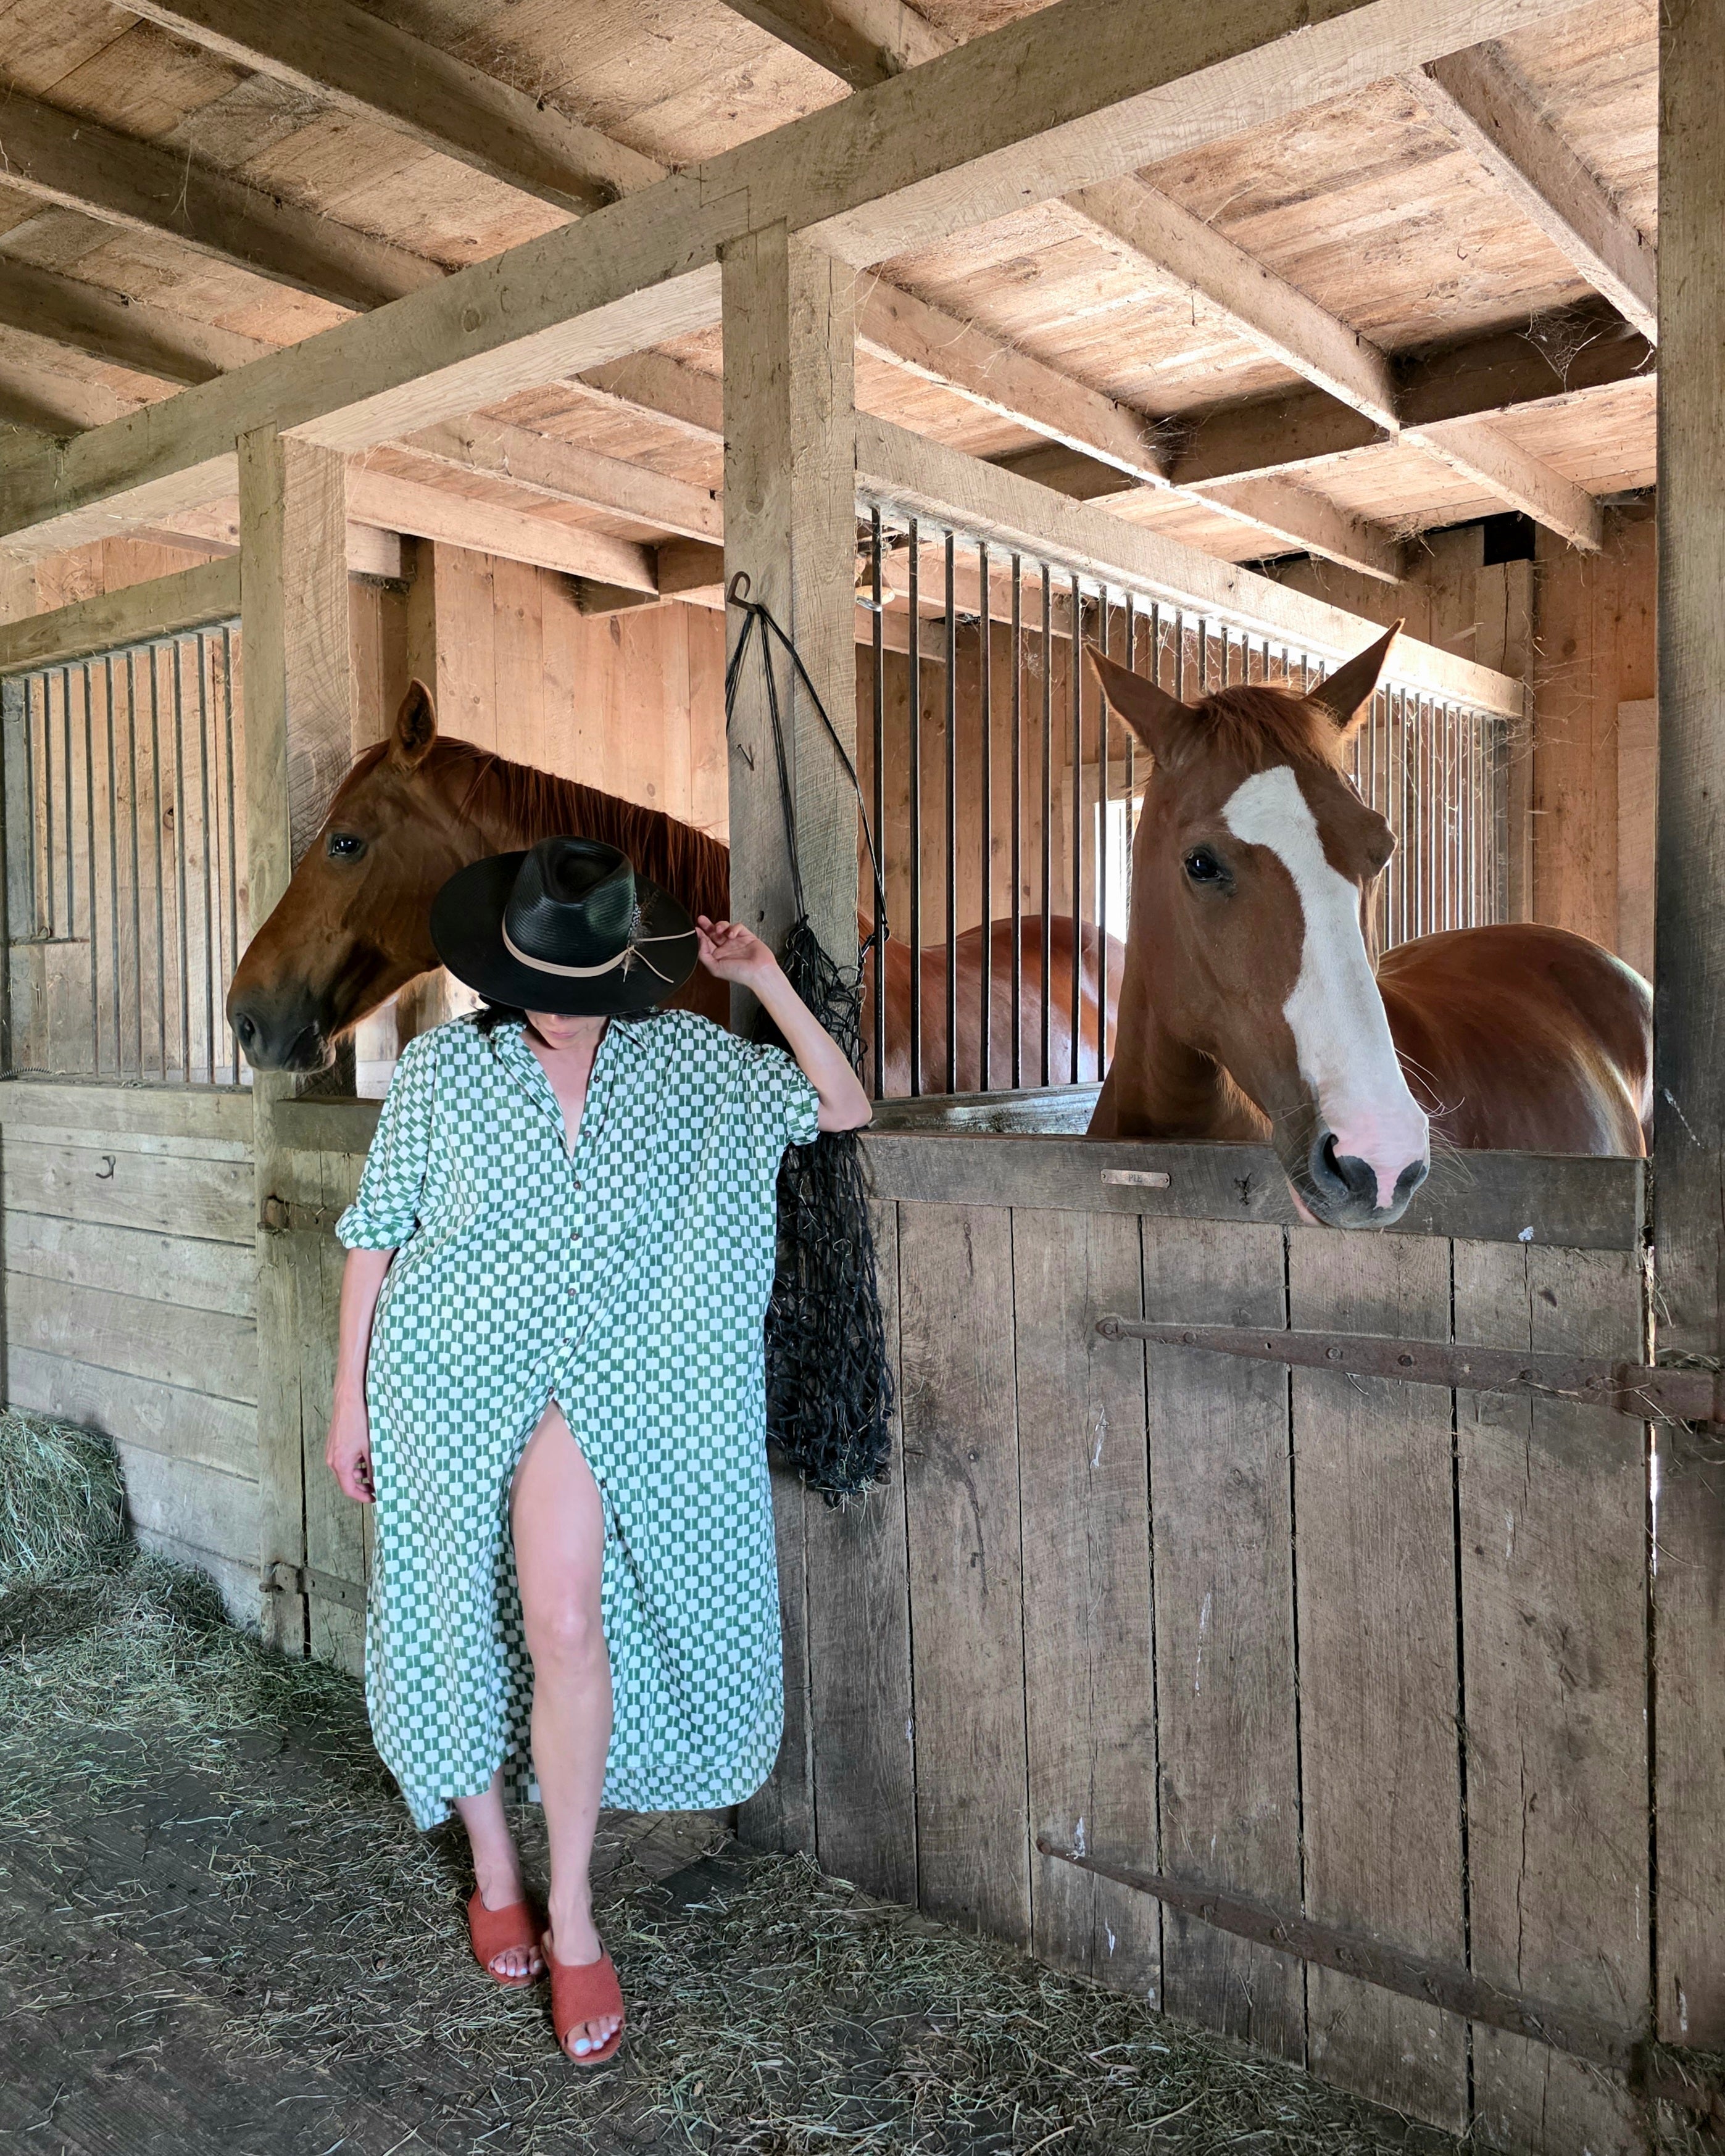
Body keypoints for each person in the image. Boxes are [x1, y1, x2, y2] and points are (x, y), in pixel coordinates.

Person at [323, 835, 871, 2065]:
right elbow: (375, 1233)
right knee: (451, 1609)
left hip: (615, 1383)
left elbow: (840, 1105)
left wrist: (769, 980)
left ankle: (572, 1913)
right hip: (447, 1372)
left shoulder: (688, 1062)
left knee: (567, 1622)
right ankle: (495, 1869)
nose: (564, 1014)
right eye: (546, 988)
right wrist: (346, 1399)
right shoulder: (437, 1077)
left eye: (588, 989)